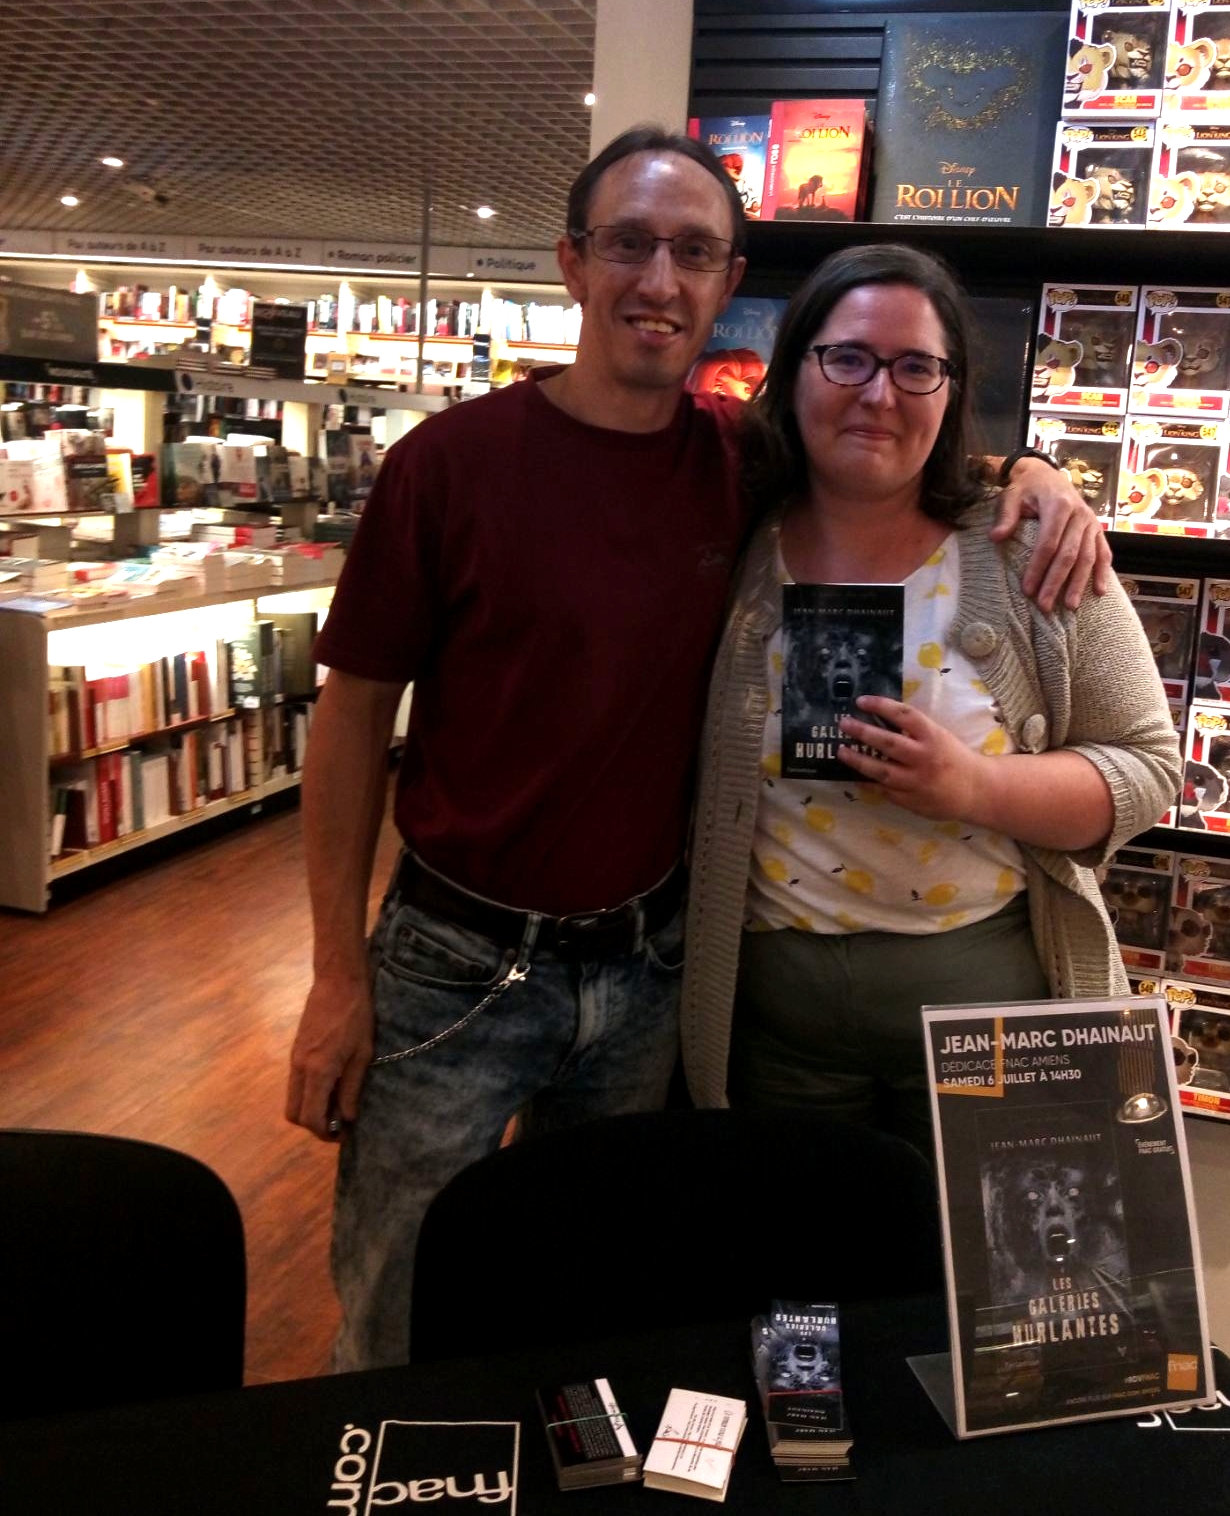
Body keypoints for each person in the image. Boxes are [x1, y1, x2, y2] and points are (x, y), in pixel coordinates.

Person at [285, 128, 1109, 1370]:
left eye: (694, 251)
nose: (659, 279)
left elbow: (890, 441)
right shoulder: (444, 466)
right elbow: (351, 716)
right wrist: (334, 974)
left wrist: (1037, 472)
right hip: (453, 962)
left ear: (728, 283)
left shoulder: (743, 468)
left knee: (600, 1310)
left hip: (650, 971)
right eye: (629, 243)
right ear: (573, 261)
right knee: (401, 1308)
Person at [681, 242, 1181, 1154]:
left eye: (916, 367)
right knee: (797, 1247)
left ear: (951, 390)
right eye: (848, 358)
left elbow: (1148, 770)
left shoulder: (1029, 548)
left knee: (985, 1250)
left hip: (988, 1018)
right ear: (795, 370)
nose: (879, 394)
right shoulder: (736, 530)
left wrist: (977, 787)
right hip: (774, 1029)